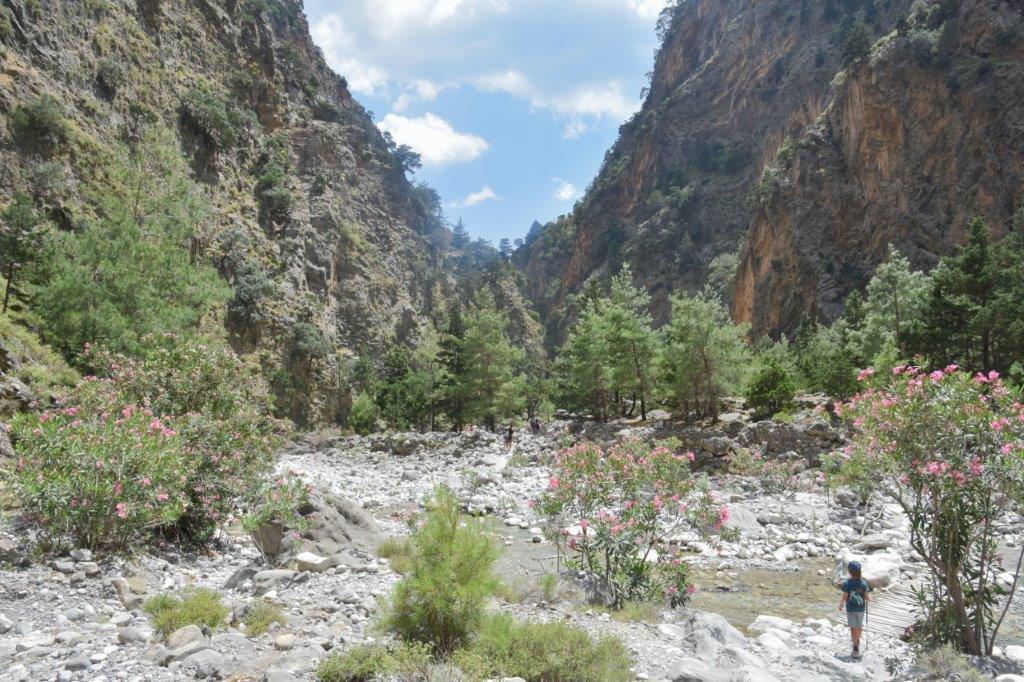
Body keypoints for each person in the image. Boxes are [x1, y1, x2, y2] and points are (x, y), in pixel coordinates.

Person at [838, 560, 871, 658]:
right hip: (861, 609)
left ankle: (855, 647)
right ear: (860, 571)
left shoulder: (847, 583)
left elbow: (845, 596)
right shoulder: (864, 583)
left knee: (853, 628)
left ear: (849, 572)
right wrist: (867, 599)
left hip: (851, 609)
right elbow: (866, 597)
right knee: (859, 626)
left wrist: (841, 604)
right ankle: (857, 640)